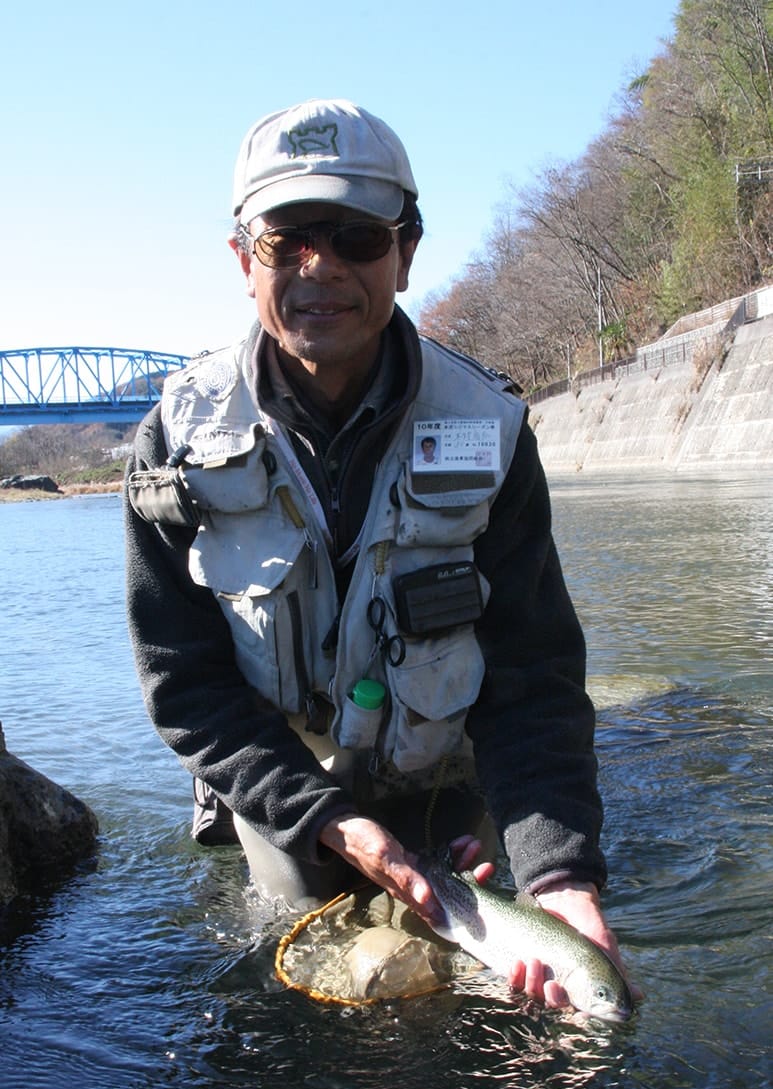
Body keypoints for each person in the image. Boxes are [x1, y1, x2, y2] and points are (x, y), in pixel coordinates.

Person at [124, 97, 633, 1011]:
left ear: (405, 254)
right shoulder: (174, 442)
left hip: (444, 769)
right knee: (308, 996)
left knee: (489, 1000)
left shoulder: (491, 431)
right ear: (244, 260)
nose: (321, 267)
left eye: (358, 237)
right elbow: (183, 686)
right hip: (286, 779)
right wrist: (328, 821)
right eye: (288, 241)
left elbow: (532, 678)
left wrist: (560, 877)